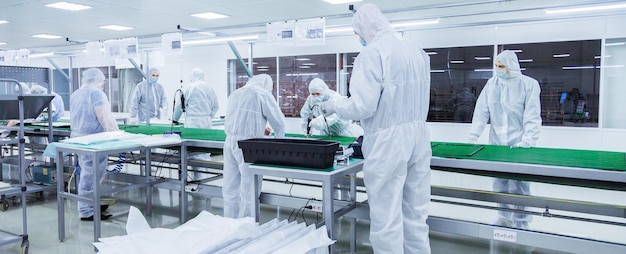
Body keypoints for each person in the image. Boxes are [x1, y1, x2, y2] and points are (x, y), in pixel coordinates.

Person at [320, 4, 432, 253]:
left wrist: (335, 104)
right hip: (419, 138)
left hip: (387, 141)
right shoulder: (417, 51)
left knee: (386, 216)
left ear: (363, 28)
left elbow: (362, 106)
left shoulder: (373, 54)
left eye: (357, 33)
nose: (359, 38)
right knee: (415, 213)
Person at [468, 50, 542, 229]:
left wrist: (528, 141)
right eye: (496, 66)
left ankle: (521, 221)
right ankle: (504, 217)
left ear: (511, 66)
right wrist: (473, 136)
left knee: (520, 185)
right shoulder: (492, 84)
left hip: (519, 144)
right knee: (499, 183)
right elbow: (481, 111)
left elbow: (532, 116)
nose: (498, 69)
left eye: (501, 66)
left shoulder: (528, 85)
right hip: (497, 144)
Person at [222, 74, 285, 218]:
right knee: (249, 190)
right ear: (267, 85)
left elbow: (239, 118)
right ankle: (246, 227)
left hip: (229, 143)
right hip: (249, 147)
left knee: (230, 188)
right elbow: (279, 122)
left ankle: (229, 223)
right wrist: (279, 140)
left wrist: (260, 127)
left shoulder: (236, 93)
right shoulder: (261, 93)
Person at [70, 68, 120, 221]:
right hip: (93, 140)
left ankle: (89, 207)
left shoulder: (75, 94)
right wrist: (116, 133)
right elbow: (104, 116)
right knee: (91, 176)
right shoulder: (96, 93)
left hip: (78, 138)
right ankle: (87, 211)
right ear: (100, 81)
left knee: (87, 174)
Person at [172, 68, 219, 180]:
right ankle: (205, 180)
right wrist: (207, 117)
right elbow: (216, 106)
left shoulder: (189, 87)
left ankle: (198, 180)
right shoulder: (210, 88)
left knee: (194, 152)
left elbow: (179, 107)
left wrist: (174, 119)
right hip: (207, 123)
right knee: (205, 152)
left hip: (192, 123)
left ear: (192, 76)